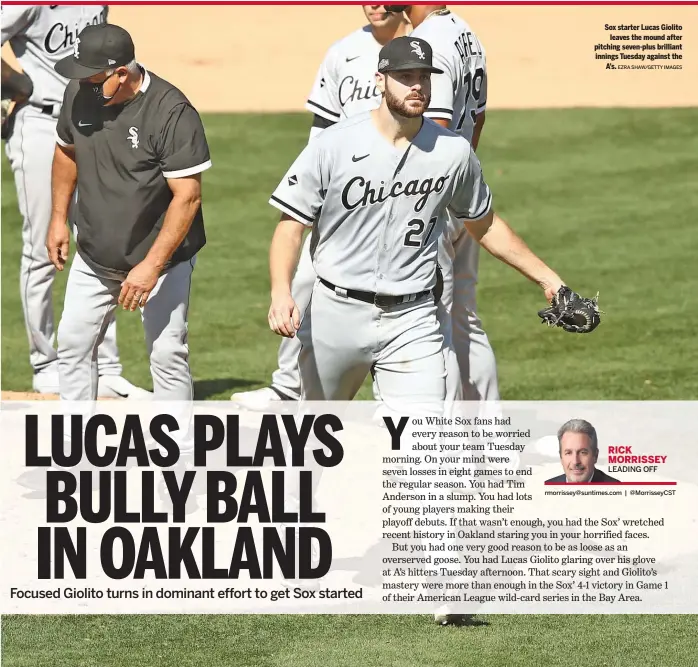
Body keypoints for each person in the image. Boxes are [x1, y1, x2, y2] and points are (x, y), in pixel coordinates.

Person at [232, 5, 411, 410]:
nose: (375, 6)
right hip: (343, 198)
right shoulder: (343, 52)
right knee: (303, 284)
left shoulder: (421, 51)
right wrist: (312, 193)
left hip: (405, 202)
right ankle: (287, 386)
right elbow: (322, 128)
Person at [47, 23, 211, 404]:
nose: (82, 86)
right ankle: (74, 448)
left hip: (162, 259)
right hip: (95, 251)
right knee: (73, 346)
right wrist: (58, 217)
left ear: (121, 73)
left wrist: (151, 266)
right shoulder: (80, 93)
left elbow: (186, 198)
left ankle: (179, 454)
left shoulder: (170, 112)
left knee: (167, 353)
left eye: (91, 79)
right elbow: (65, 151)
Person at [1, 5, 150, 398]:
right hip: (41, 123)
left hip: (96, 121)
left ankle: (105, 366)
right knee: (41, 250)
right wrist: (17, 84)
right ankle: (46, 364)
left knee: (104, 242)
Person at [390, 4, 498, 403]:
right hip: (464, 195)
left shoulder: (428, 42)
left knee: (433, 329)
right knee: (465, 320)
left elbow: (431, 131)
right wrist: (463, 181)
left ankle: (445, 450)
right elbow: (479, 119)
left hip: (433, 206)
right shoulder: (466, 33)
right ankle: (488, 442)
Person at [546, 419, 620, 483]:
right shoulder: (547, 487)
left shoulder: (615, 488)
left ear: (595, 456)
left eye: (583, 453)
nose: (575, 462)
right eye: (568, 453)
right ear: (561, 457)